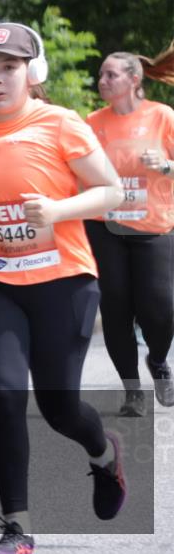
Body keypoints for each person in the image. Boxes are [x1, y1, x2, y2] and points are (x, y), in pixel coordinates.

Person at [0, 23, 126, 554]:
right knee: (4, 396)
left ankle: (104, 454)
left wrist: (60, 209)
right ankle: (17, 530)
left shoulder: (61, 124)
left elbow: (110, 190)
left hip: (63, 282)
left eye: (10, 69)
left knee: (60, 405)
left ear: (31, 73)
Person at [85, 44, 174, 416]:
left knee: (160, 308)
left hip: (154, 227)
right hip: (106, 228)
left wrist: (167, 165)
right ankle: (132, 389)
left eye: (110, 75)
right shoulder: (92, 122)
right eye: (101, 75)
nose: (102, 80)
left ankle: (157, 360)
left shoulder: (163, 116)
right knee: (116, 307)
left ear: (133, 79)